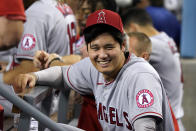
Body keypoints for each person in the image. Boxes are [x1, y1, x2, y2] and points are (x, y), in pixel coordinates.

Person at [14, 9, 178, 131]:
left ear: (122, 46)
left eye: (109, 47)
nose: (102, 55)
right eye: (95, 48)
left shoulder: (140, 76)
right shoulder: (94, 67)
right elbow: (63, 74)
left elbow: (146, 128)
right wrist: (34, 76)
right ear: (88, 48)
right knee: (56, 128)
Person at [122, 8, 184, 131]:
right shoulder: (165, 38)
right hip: (174, 116)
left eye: (127, 34)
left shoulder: (154, 44)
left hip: (167, 122)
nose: (127, 39)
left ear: (133, 28)